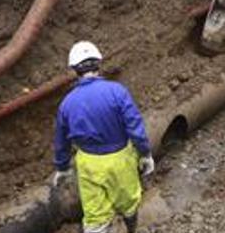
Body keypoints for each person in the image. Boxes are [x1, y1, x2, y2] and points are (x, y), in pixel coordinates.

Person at [52, 41, 154, 233]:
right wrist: (145, 153)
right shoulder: (117, 91)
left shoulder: (67, 103)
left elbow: (61, 140)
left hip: (88, 163)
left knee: (95, 213)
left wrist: (62, 167)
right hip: (120, 158)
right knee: (129, 201)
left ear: (75, 69)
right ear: (98, 63)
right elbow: (135, 127)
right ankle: (131, 228)